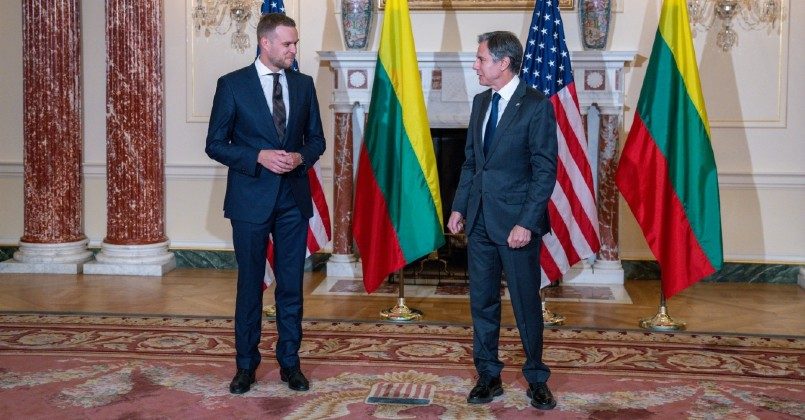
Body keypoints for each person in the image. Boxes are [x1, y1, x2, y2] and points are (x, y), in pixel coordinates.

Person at [205, 13, 325, 395]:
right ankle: (246, 366)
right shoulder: (232, 85)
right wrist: (257, 156)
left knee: (291, 287)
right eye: (288, 44)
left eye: (295, 43)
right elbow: (215, 144)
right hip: (250, 201)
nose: (294, 50)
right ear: (266, 43)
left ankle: (290, 363)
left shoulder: (304, 85)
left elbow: (317, 140)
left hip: (293, 200)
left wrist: (300, 157)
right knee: (250, 286)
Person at [447, 31, 558, 410]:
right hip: (480, 220)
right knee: (482, 302)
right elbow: (472, 162)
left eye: (481, 59)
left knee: (525, 304)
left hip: (516, 226)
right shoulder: (481, 102)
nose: (475, 66)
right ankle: (488, 376)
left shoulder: (536, 106)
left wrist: (527, 222)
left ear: (504, 63)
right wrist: (460, 207)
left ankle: (537, 379)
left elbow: (544, 171)